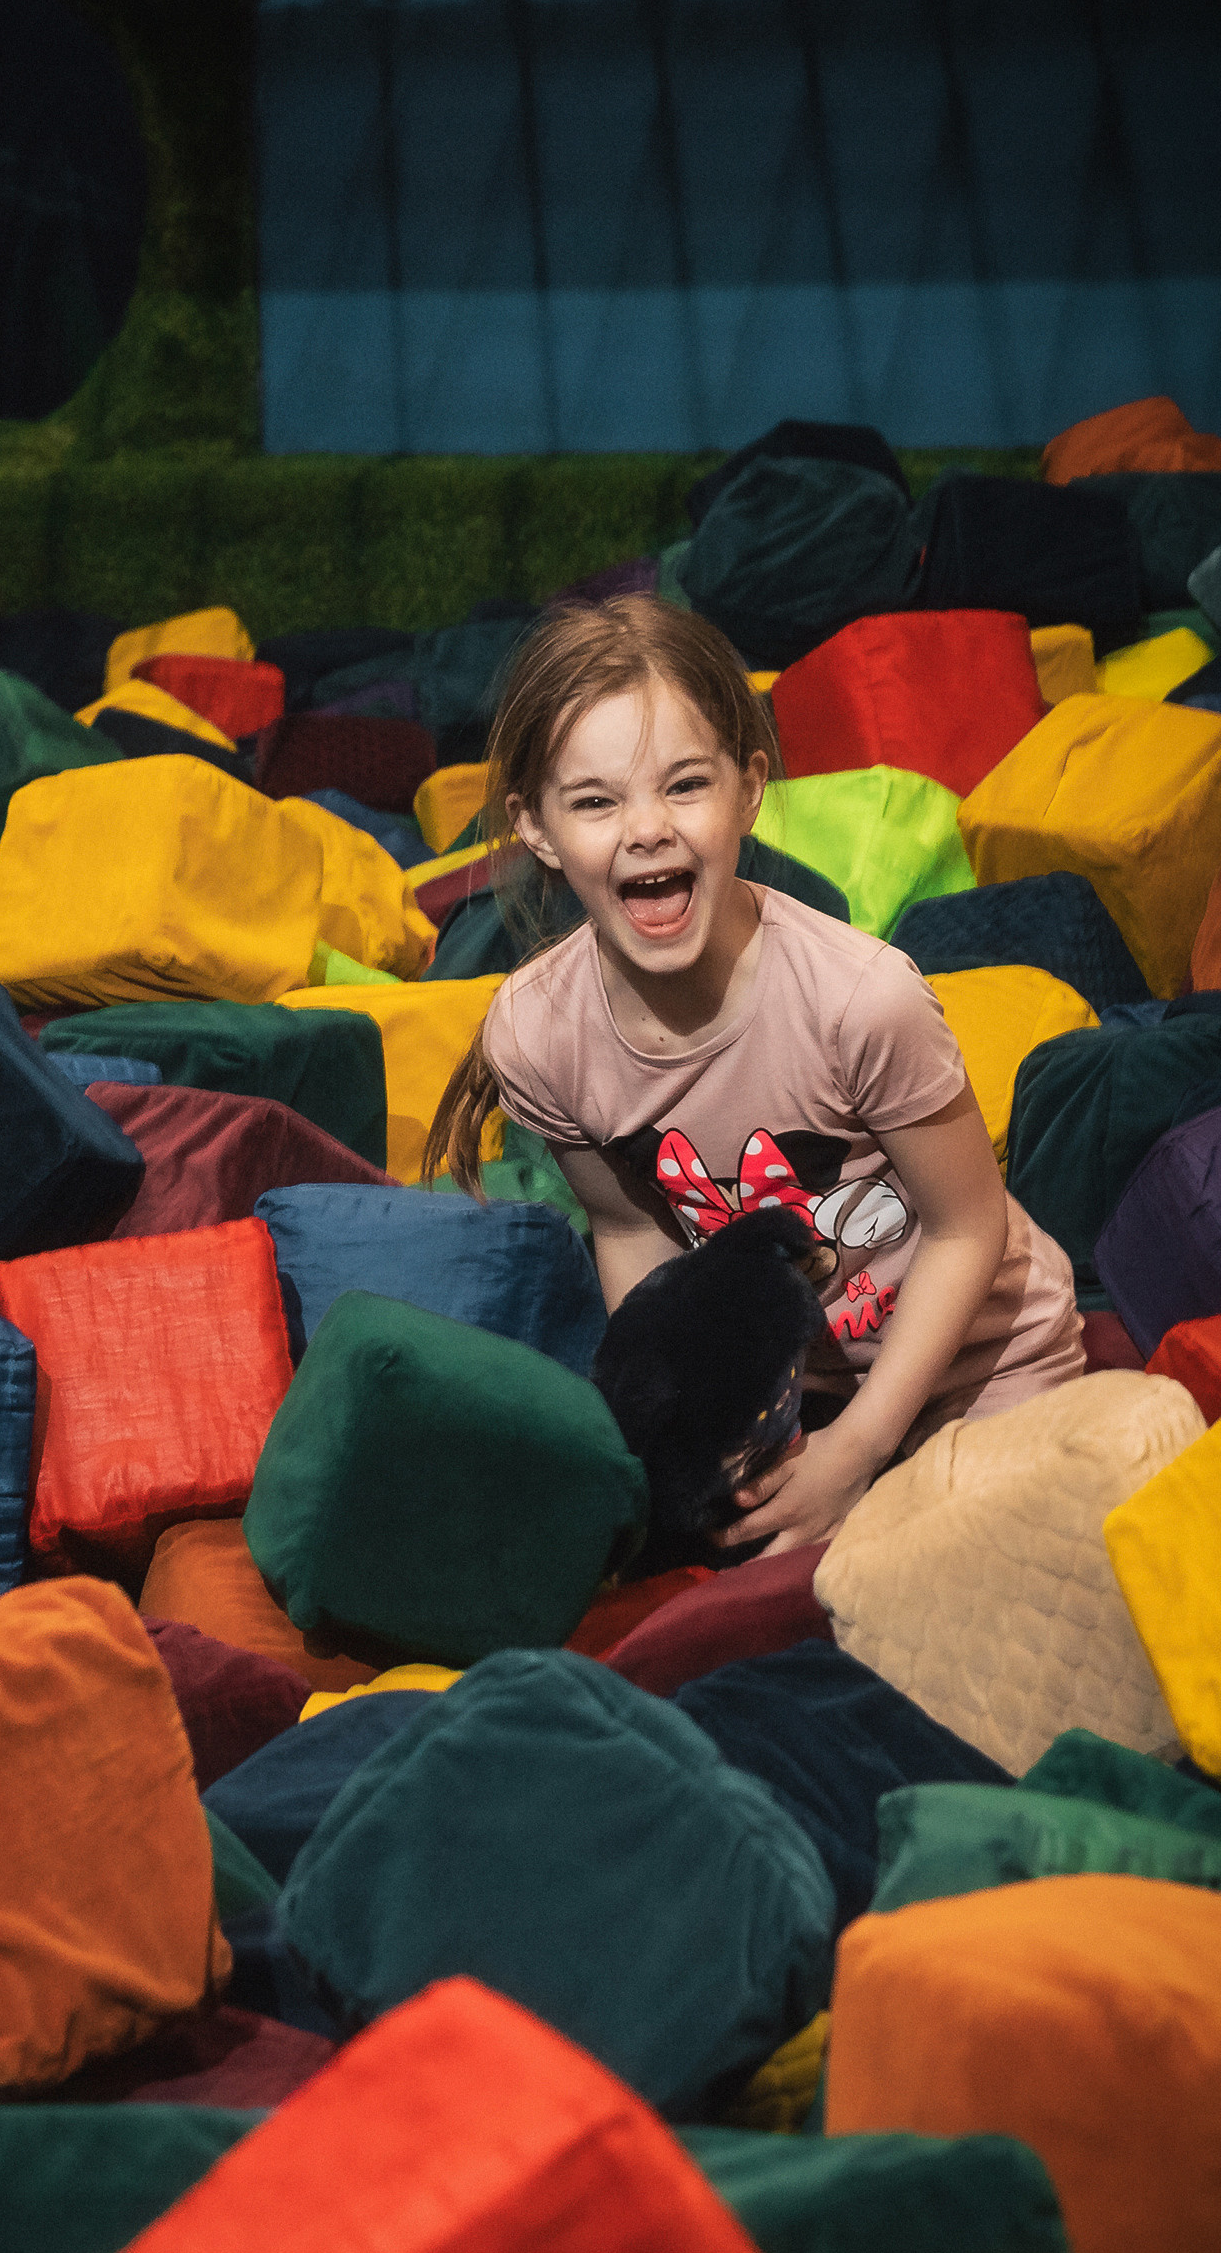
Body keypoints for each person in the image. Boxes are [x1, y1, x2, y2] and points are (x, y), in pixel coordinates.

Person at [421, 595, 1085, 1557]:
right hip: (801, 1393)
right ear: (537, 828)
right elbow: (630, 1227)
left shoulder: (863, 1000)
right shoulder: (536, 1034)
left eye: (685, 785)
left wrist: (858, 1450)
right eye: (597, 801)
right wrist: (691, 1418)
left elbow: (965, 1224)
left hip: (979, 1366)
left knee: (956, 1587)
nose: (647, 829)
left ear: (749, 790)